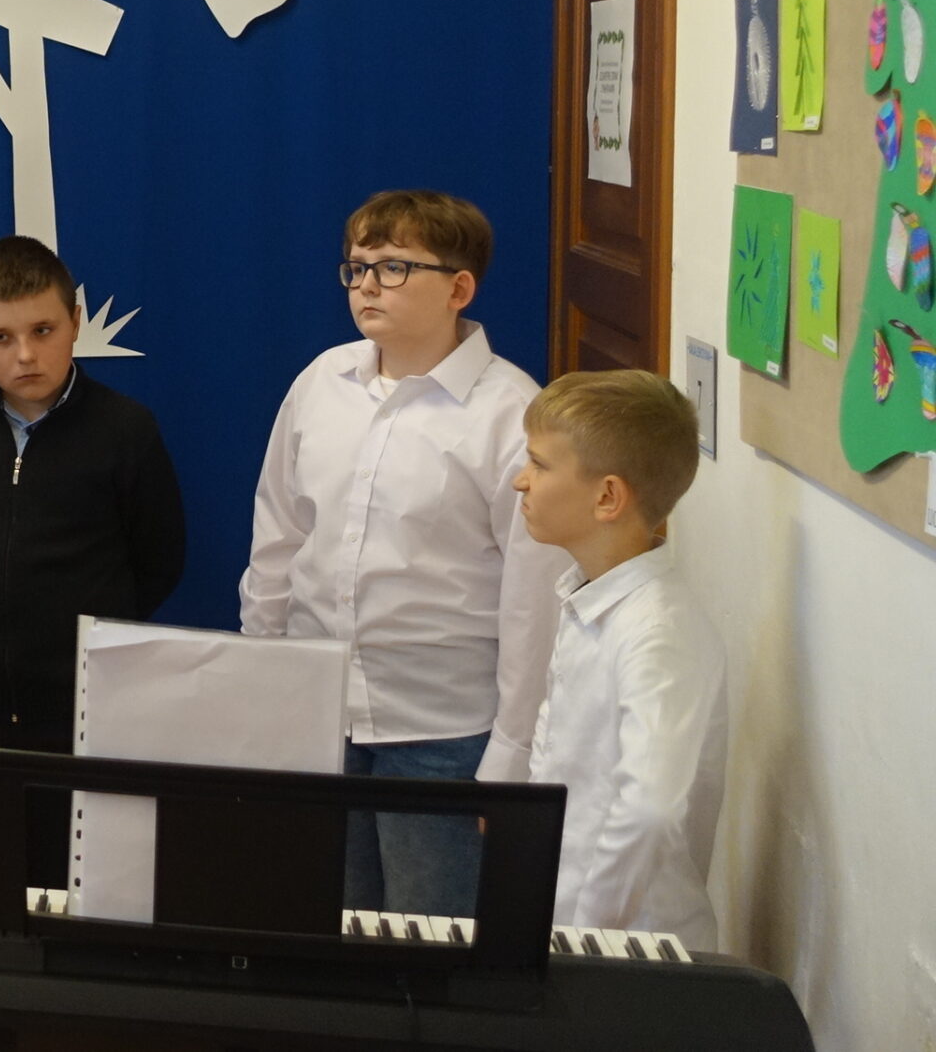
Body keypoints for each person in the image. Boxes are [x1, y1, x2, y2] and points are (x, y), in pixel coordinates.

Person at [239, 190, 557, 919]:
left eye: (393, 267)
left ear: (459, 288)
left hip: (444, 728)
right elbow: (279, 534)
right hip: (318, 709)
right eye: (356, 268)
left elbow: (533, 598)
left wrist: (513, 752)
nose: (367, 286)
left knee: (429, 934)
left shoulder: (510, 411)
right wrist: (262, 676)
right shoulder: (322, 382)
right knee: (324, 922)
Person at [0, 234, 185, 884]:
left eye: (42, 330)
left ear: (76, 320)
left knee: (80, 880)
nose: (25, 355)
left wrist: (83, 638)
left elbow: (160, 558)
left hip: (84, 704)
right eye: (0, 337)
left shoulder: (126, 429)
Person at [487, 370, 728, 947]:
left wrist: (584, 937)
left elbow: (649, 812)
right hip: (570, 929)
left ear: (608, 497)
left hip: (628, 953)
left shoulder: (656, 631)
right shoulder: (590, 597)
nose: (520, 480)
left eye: (539, 464)